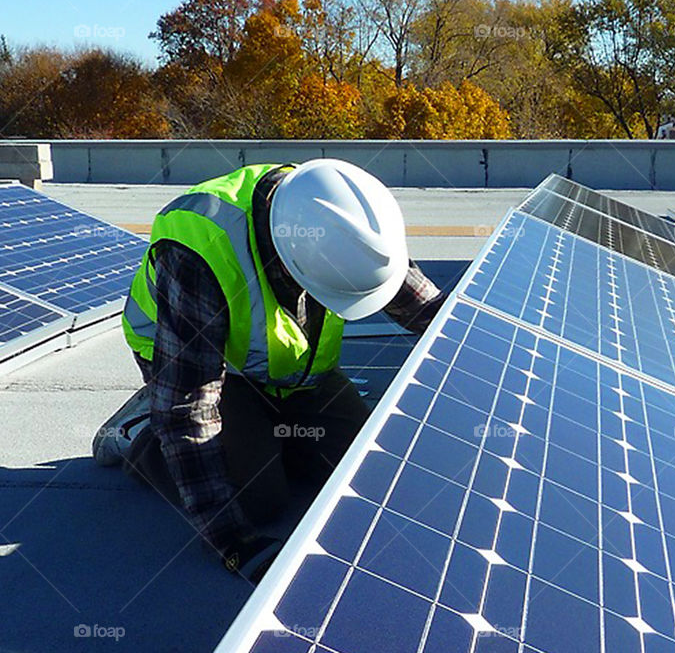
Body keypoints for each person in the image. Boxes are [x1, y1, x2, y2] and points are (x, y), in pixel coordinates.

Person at [92, 159, 444, 581]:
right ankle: (139, 432)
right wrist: (231, 543)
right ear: (291, 262)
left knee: (365, 469)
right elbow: (188, 408)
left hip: (290, 370)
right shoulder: (200, 246)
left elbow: (425, 308)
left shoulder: (340, 217)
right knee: (255, 499)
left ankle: (264, 434)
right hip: (198, 368)